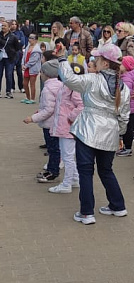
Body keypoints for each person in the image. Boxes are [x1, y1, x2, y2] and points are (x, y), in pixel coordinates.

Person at [56, 43, 130, 225]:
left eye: (97, 59)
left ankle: (86, 212)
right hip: (110, 131)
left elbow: (69, 78)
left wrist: (63, 59)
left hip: (87, 130)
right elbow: (124, 116)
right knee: (106, 170)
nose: (94, 61)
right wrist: (119, 135)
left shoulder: (92, 79)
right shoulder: (124, 88)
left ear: (105, 64)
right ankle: (118, 206)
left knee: (86, 171)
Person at [23, 60, 63, 182]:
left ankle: (52, 171)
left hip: (50, 124)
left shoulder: (47, 89)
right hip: (57, 122)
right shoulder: (60, 85)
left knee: (53, 149)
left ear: (45, 74)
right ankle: (52, 168)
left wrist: (33, 118)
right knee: (55, 148)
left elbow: (48, 110)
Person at [47, 62, 84, 193]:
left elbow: (81, 106)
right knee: (67, 155)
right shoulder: (66, 86)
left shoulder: (74, 89)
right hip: (63, 126)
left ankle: (67, 183)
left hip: (68, 127)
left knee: (67, 156)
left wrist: (70, 117)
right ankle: (74, 179)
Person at [116, 56, 134, 157]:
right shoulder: (126, 77)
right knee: (127, 127)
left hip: (127, 107)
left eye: (121, 64)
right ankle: (126, 146)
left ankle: (128, 147)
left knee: (127, 128)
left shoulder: (126, 80)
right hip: (130, 107)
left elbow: (125, 95)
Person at [0, 20, 22, 98]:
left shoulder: (13, 37)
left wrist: (13, 55)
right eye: (2, 26)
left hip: (9, 59)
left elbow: (17, 48)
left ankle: (8, 91)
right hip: (1, 58)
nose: (3, 27)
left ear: (9, 27)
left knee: (8, 75)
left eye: (5, 26)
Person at [21, 33, 42, 104]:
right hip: (26, 67)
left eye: (32, 38)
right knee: (24, 83)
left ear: (36, 40)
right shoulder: (28, 46)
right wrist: (22, 64)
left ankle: (32, 99)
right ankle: (27, 97)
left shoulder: (37, 50)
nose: (30, 39)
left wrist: (26, 65)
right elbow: (24, 56)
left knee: (32, 84)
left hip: (33, 68)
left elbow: (33, 60)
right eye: (29, 37)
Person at [9, 20, 26, 93]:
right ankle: (12, 87)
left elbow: (22, 42)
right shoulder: (9, 33)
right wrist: (17, 41)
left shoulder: (20, 33)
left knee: (19, 71)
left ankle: (21, 87)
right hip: (10, 54)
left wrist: (16, 42)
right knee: (10, 71)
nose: (13, 25)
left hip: (18, 53)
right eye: (12, 24)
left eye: (15, 24)